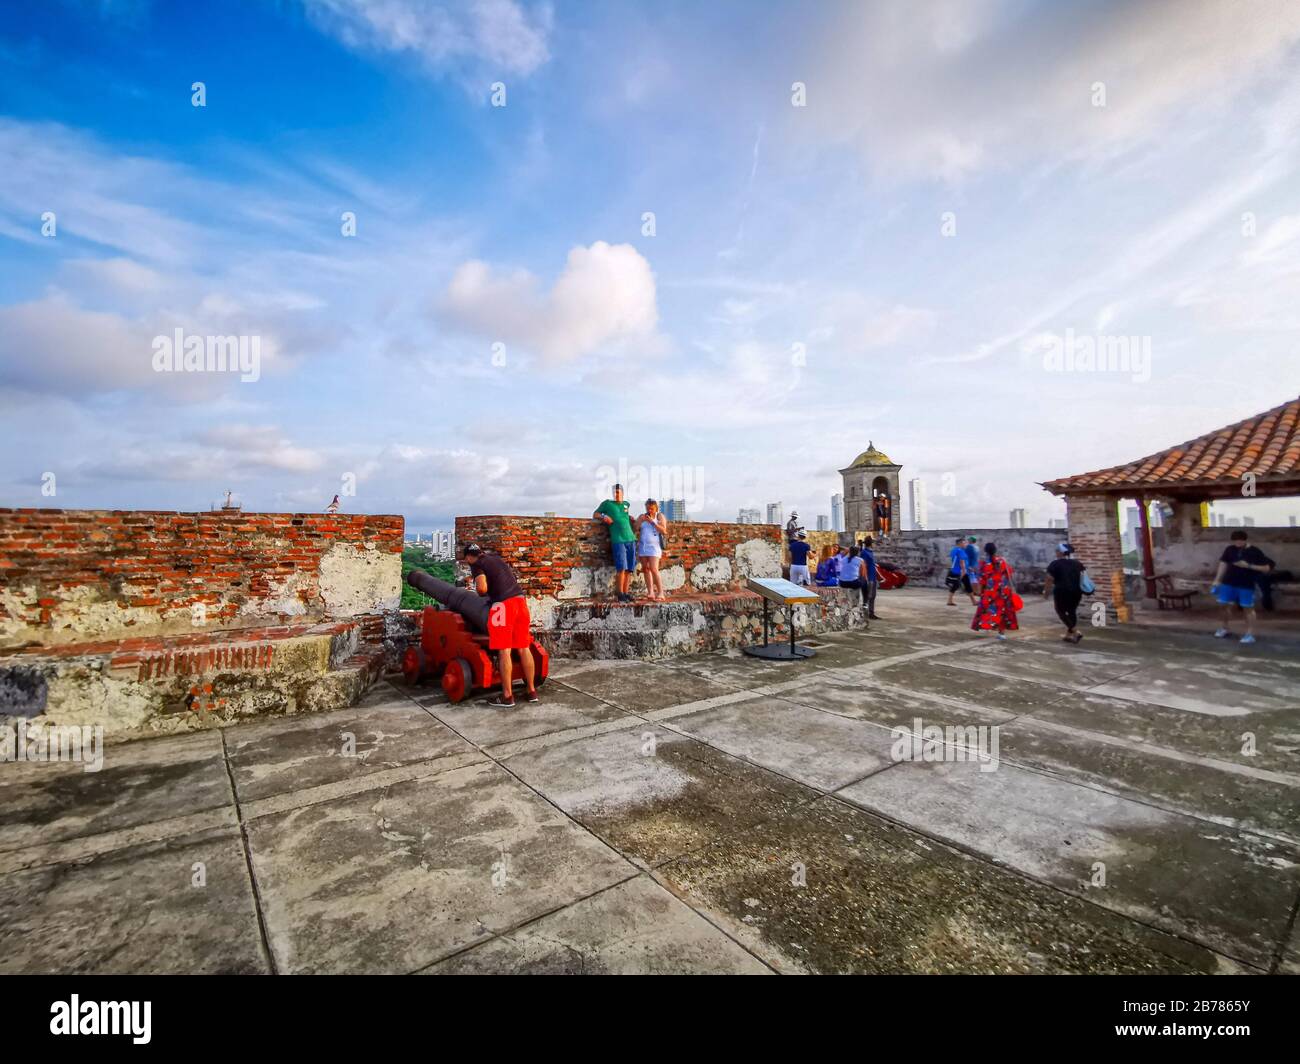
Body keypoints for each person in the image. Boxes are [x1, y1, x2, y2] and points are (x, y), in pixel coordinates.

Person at [463, 543, 537, 707]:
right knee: (524, 647)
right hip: (520, 601)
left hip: (503, 606)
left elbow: (482, 588)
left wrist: (482, 593)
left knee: (504, 650)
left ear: (469, 557)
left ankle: (507, 696)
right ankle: (531, 691)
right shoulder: (495, 558)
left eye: (466, 559)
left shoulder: (476, 565)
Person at [1212, 529, 1271, 644]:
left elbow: (1266, 568)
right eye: (1235, 541)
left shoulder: (1254, 551)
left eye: (1240, 541)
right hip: (1228, 582)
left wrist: (1248, 565)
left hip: (1246, 584)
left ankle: (1250, 633)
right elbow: (1223, 563)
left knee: (1247, 608)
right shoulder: (1230, 549)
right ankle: (1224, 627)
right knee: (1223, 605)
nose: (1237, 543)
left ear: (1245, 540)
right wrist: (1217, 580)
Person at [594, 483, 637, 602]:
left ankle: (626, 592)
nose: (616, 494)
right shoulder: (607, 504)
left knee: (629, 569)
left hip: (631, 539)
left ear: (622, 493)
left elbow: (624, 515)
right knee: (621, 568)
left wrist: (630, 517)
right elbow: (595, 514)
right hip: (618, 540)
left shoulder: (626, 504)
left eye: (618, 492)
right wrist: (604, 516)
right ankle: (620, 593)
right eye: (614, 492)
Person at [971, 541, 1018, 640]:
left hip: (990, 592)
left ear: (985, 551)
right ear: (995, 550)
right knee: (1002, 611)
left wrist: (980, 592)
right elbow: (1009, 573)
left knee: (987, 610)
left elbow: (982, 579)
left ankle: (987, 626)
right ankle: (1001, 633)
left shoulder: (983, 563)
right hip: (1003, 591)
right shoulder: (1002, 561)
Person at [1043, 542, 1086, 644]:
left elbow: (1049, 579)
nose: (1056, 553)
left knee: (1060, 611)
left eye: (1057, 551)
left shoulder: (1055, 564)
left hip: (1061, 591)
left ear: (1061, 552)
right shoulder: (1078, 563)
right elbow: (1082, 577)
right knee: (1072, 611)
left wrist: (1046, 592)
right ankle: (1068, 635)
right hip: (1076, 591)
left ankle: (1076, 632)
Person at [635, 498, 668, 601]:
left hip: (654, 547)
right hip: (643, 546)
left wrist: (652, 522)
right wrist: (640, 521)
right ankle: (650, 592)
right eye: (648, 508)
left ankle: (661, 592)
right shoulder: (642, 516)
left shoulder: (659, 516)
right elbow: (635, 528)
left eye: (652, 508)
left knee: (654, 569)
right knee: (645, 569)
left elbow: (664, 531)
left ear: (656, 508)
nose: (650, 510)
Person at [838, 547, 870, 624]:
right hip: (853, 583)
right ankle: (865, 603)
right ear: (858, 553)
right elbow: (863, 574)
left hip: (842, 582)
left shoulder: (843, 559)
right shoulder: (860, 560)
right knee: (865, 582)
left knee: (861, 580)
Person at [945, 536, 976, 607]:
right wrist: (964, 570)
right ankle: (973, 601)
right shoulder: (960, 551)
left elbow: (953, 560)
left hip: (955, 570)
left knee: (956, 585)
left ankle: (950, 600)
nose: (966, 544)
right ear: (960, 543)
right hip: (961, 571)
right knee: (967, 585)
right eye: (964, 543)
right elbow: (962, 562)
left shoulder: (954, 550)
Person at [859, 536, 880, 619]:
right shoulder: (864, 552)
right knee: (867, 596)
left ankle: (871, 613)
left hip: (873, 576)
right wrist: (865, 577)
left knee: (872, 596)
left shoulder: (870, 552)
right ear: (871, 543)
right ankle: (866, 613)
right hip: (868, 577)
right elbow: (863, 565)